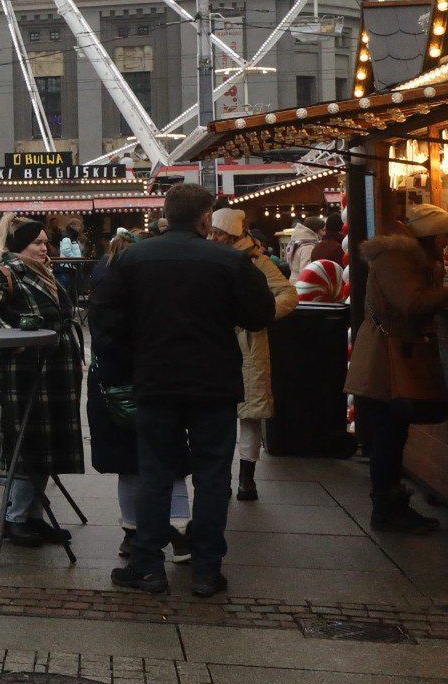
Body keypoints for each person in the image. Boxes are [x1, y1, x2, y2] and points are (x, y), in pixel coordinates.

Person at [96, 184, 276, 597]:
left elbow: (105, 319)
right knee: (213, 476)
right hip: (214, 383)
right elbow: (259, 314)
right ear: (204, 218)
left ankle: (147, 565)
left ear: (166, 213)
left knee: (155, 473)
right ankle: (207, 569)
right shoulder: (229, 261)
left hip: (156, 380)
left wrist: (137, 350)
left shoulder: (132, 259)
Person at [347, 203, 448, 534]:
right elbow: (411, 302)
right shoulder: (395, 258)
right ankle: (387, 510)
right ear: (429, 234)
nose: (447, 242)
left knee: (392, 434)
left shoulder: (407, 258)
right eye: (443, 235)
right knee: (388, 434)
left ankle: (391, 506)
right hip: (385, 359)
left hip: (392, 355)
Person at [0, 220, 82, 548]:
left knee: (44, 447)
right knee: (26, 445)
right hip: (24, 373)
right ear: (20, 245)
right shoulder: (7, 272)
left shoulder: (43, 271)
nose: (44, 248)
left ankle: (33, 517)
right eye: (37, 243)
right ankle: (14, 519)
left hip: (52, 373)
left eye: (46, 242)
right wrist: (13, 338)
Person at [86, 233, 193, 562]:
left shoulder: (103, 281)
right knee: (170, 458)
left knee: (127, 464)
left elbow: (103, 339)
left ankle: (132, 533)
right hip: (155, 380)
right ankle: (179, 531)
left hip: (114, 385)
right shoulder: (154, 286)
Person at [209, 208, 299, 503]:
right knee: (217, 412)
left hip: (248, 343)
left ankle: (246, 478)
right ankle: (218, 476)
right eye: (212, 232)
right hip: (215, 341)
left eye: (218, 233)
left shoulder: (258, 262)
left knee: (249, 415)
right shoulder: (208, 258)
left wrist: (263, 315)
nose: (213, 237)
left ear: (233, 235)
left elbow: (288, 294)